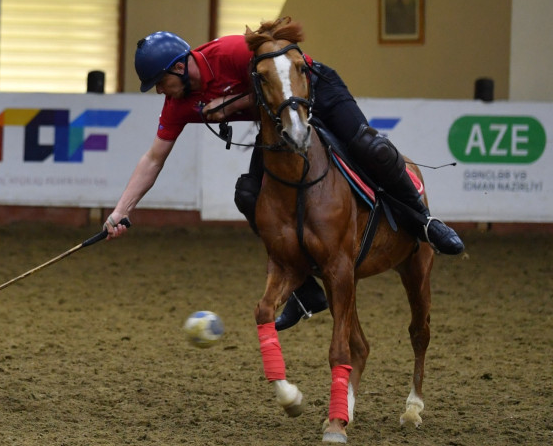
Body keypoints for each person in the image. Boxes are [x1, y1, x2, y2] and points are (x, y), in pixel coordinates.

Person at [104, 21, 464, 330]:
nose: (158, 90)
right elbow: (153, 158)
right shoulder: (177, 104)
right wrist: (121, 211)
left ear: (179, 68)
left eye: (159, 81)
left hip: (315, 90)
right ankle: (306, 292)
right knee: (248, 195)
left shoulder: (229, 53)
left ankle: (425, 222)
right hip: (279, 125)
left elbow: (284, 76)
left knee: (373, 149)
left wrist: (230, 106)